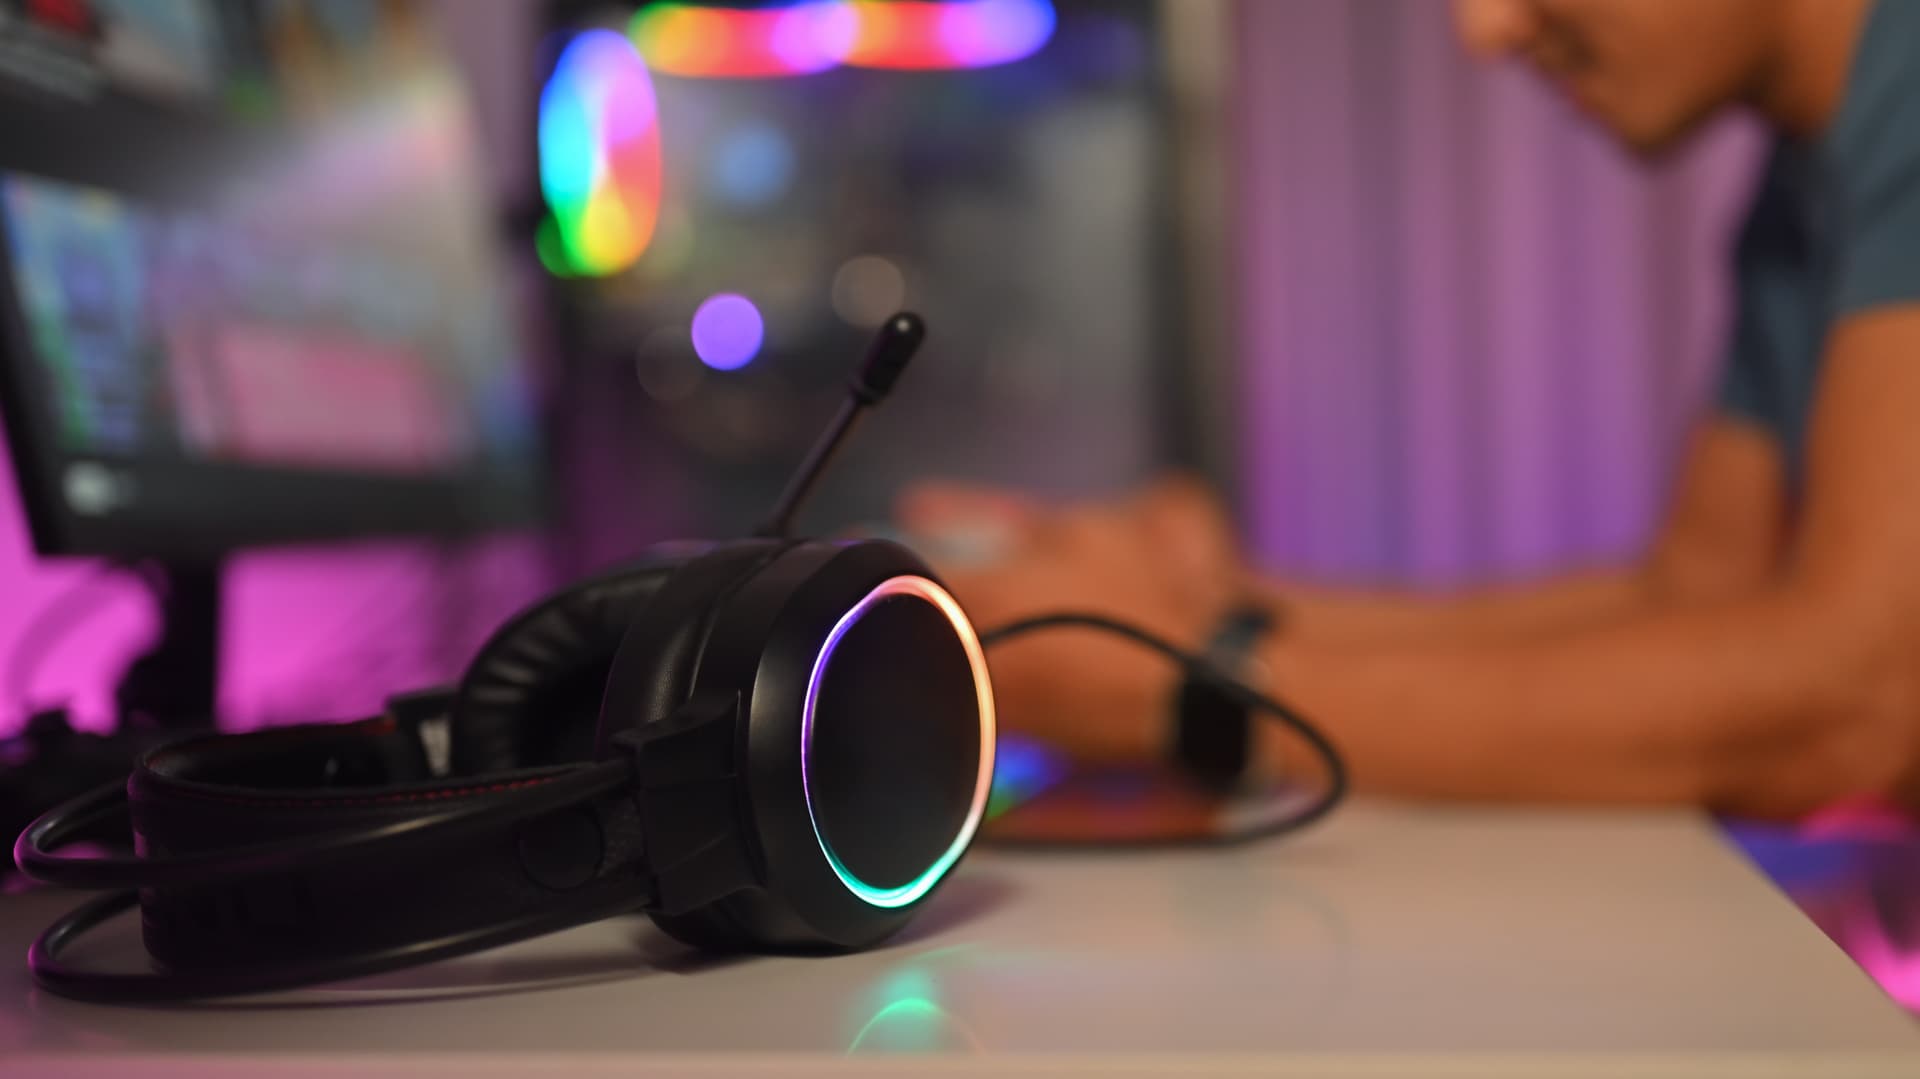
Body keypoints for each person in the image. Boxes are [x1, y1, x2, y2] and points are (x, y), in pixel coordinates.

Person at [899, 0, 1920, 821]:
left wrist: (1192, 693)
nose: (1483, 30)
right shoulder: (1807, 179)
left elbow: (1854, 700)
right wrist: (1198, 610)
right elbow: (1696, 596)